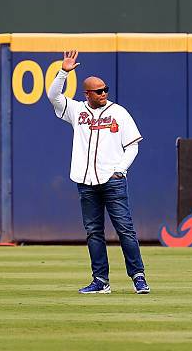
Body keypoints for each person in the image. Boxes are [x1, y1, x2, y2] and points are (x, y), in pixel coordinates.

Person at [47, 50, 150, 294]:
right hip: (85, 181)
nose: (104, 94)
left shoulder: (119, 112)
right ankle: (101, 281)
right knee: (94, 232)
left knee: (125, 229)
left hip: (113, 181)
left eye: (105, 90)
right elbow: (53, 96)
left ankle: (138, 276)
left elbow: (133, 145)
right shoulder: (76, 110)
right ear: (87, 94)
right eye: (99, 91)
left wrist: (120, 170)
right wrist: (64, 71)